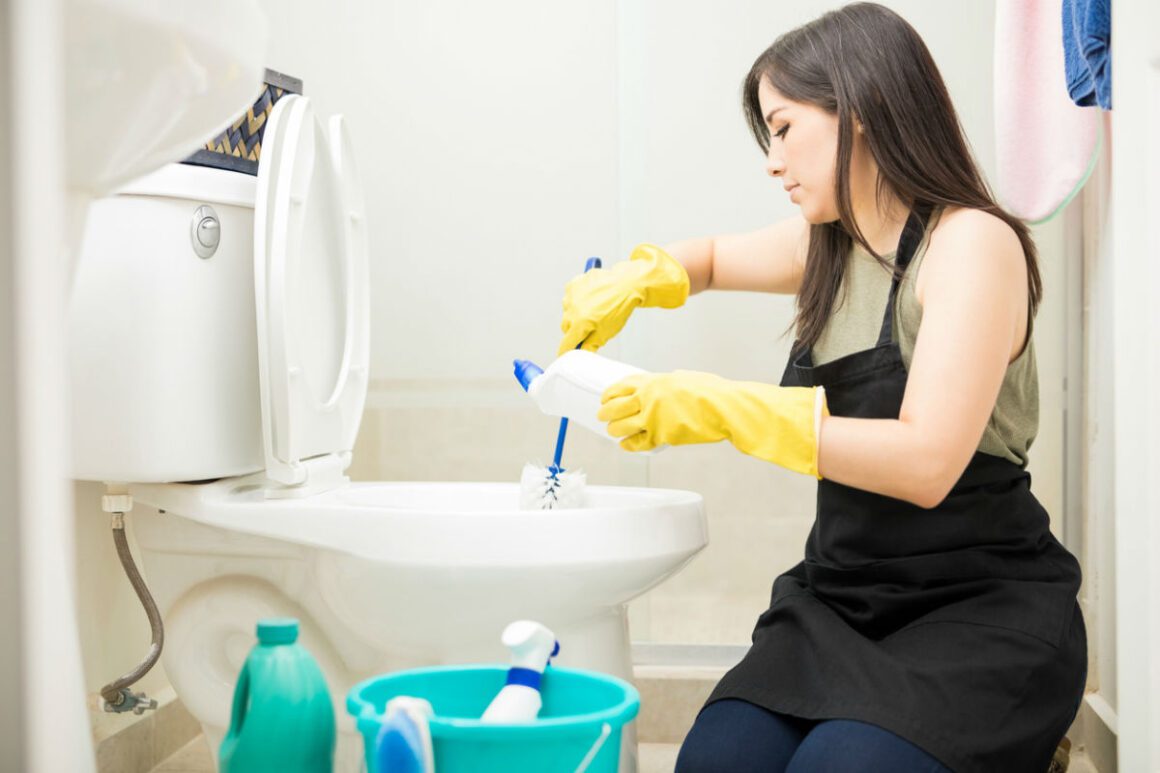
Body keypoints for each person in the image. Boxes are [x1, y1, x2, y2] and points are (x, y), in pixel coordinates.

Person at [556, 4, 1086, 772]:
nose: (773, 160)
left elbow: (926, 461)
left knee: (842, 766)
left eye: (782, 127)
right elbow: (705, 258)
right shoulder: (833, 245)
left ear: (860, 109)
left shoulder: (969, 243)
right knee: (714, 764)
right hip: (842, 600)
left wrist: (722, 408)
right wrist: (644, 278)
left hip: (978, 609)